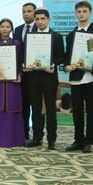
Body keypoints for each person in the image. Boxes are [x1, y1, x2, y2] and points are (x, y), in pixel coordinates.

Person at [63, 1, 93, 153]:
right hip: (76, 78)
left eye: (84, 11)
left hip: (92, 78)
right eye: (79, 11)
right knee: (77, 111)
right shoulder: (70, 36)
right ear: (75, 14)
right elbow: (67, 57)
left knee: (91, 111)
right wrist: (66, 66)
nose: (81, 14)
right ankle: (78, 140)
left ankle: (89, 141)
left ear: (90, 13)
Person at [25, 9, 65, 150]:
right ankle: (37, 137)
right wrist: (25, 64)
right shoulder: (30, 37)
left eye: (42, 18)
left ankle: (51, 139)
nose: (40, 22)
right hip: (33, 78)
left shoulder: (56, 36)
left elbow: (61, 57)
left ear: (49, 19)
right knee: (35, 109)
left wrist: (53, 63)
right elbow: (26, 55)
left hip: (49, 78)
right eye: (37, 19)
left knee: (50, 109)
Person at [0, 18, 25, 148]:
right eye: (2, 27)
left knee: (12, 107)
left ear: (11, 29)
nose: (5, 29)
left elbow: (21, 62)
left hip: (13, 82)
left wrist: (20, 74)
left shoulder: (17, 44)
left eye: (7, 27)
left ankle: (14, 139)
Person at [13, 3, 37, 140]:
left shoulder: (39, 28)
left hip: (36, 73)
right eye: (24, 11)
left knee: (37, 105)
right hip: (21, 75)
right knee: (23, 104)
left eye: (29, 11)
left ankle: (37, 133)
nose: (26, 14)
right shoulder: (17, 29)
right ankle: (24, 132)